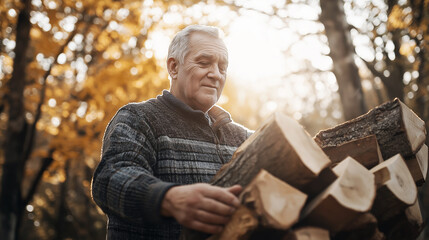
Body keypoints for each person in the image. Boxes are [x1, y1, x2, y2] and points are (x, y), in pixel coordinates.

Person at [91, 25, 252, 239]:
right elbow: (109, 179)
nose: (215, 74)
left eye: (222, 67)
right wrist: (168, 198)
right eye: (204, 63)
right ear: (174, 67)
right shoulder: (139, 118)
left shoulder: (244, 138)